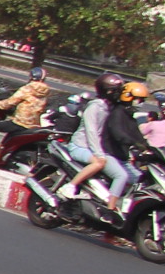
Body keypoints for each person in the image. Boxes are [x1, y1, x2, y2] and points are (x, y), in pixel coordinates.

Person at [60, 74, 144, 205]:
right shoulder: (95, 107)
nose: (118, 94)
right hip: (80, 146)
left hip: (94, 148)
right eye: (116, 91)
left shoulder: (110, 107)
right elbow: (91, 132)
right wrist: (99, 154)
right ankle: (70, 186)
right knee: (99, 163)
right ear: (107, 91)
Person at [0, 67, 53, 160]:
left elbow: (9, 103)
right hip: (34, 124)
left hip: (21, 122)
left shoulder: (26, 89)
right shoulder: (45, 92)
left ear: (31, 76)